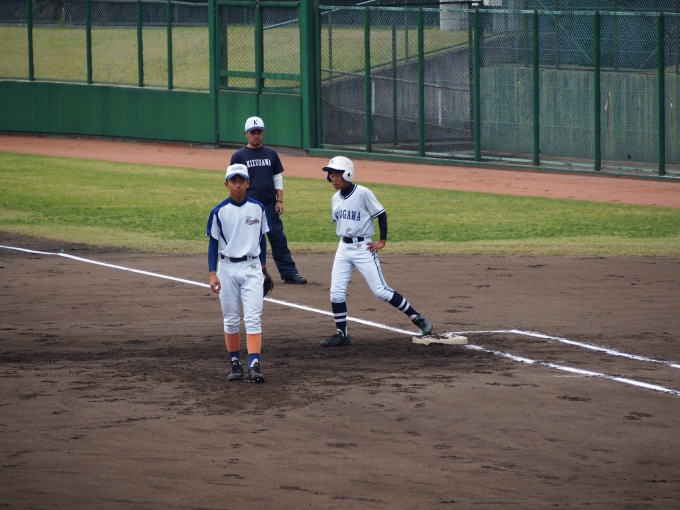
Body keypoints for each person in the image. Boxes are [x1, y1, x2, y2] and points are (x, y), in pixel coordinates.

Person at [320, 156, 434, 347]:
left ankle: (418, 318)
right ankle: (342, 334)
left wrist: (382, 241)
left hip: (363, 248)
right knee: (336, 294)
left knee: (381, 291)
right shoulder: (335, 198)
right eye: (331, 175)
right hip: (343, 248)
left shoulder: (363, 193)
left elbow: (381, 214)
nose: (333, 178)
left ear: (348, 174)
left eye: (337, 174)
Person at [207, 163, 269, 382]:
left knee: (253, 318)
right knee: (231, 319)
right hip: (227, 268)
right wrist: (212, 273)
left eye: (242, 181)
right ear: (226, 184)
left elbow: (262, 239)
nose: (238, 185)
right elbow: (213, 244)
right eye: (234, 181)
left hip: (252, 267)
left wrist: (263, 269)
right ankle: (235, 363)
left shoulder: (258, 209)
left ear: (248, 183)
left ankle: (254, 365)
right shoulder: (218, 211)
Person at [230, 116, 307, 284]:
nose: (256, 136)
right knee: (250, 241)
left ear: (263, 133)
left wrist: (280, 200)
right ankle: (251, 273)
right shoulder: (239, 156)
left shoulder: (271, 154)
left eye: (259, 132)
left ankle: (289, 273)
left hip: (269, 205)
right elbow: (234, 182)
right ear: (246, 134)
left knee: (278, 239)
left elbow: (277, 177)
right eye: (253, 132)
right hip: (248, 206)